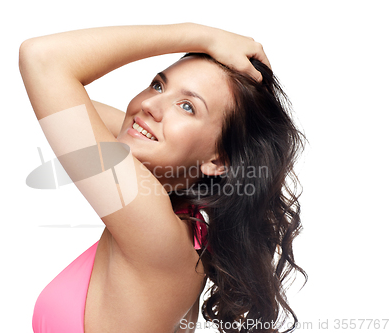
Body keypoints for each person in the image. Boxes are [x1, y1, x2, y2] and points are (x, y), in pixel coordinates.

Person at [19, 23, 306, 333]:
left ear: (219, 160)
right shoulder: (177, 215)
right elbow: (69, 105)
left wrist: (203, 35)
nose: (150, 105)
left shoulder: (154, 230)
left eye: (187, 107)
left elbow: (43, 60)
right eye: (158, 85)